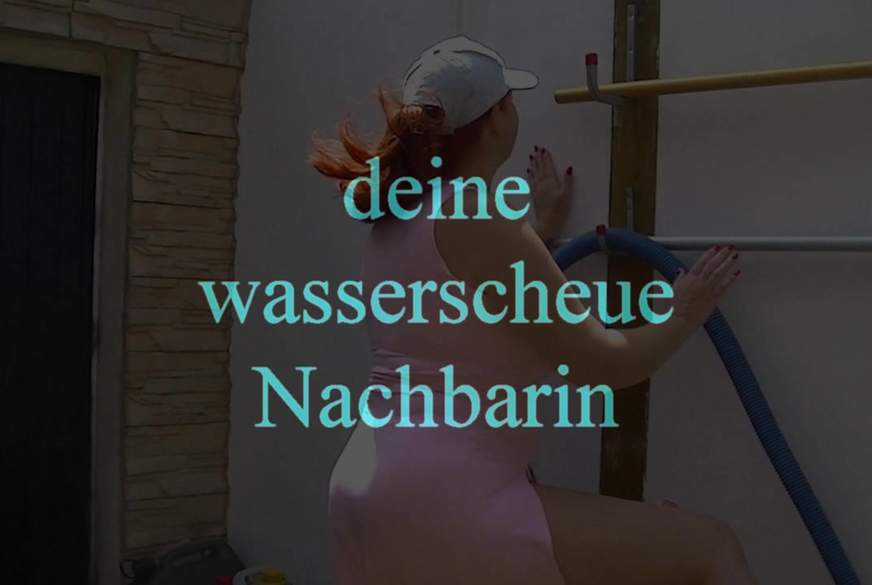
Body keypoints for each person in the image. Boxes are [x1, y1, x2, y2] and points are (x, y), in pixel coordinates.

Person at [309, 35, 754, 585]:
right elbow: (603, 364)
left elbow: (466, 302)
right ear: (497, 119)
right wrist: (683, 313)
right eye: (510, 102)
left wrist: (538, 231)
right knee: (711, 548)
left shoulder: (398, 218)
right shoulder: (477, 218)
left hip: (366, 490)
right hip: (443, 494)